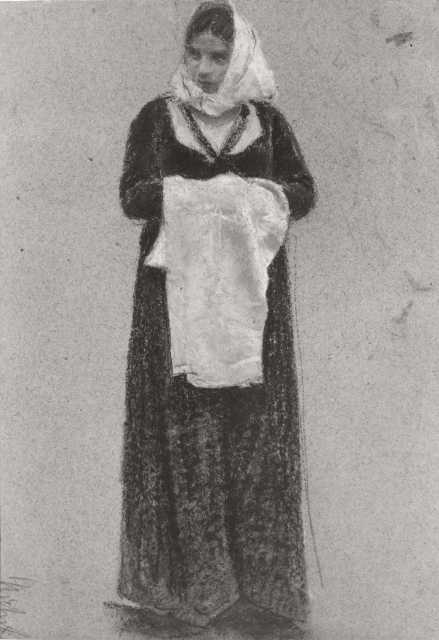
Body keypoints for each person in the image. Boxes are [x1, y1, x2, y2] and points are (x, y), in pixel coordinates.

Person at [118, 0, 315, 629]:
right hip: (174, 303)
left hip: (253, 305)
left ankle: (262, 592)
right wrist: (209, 198)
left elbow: (303, 192)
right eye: (194, 54)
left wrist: (253, 198)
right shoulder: (157, 118)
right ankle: (191, 592)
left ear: (241, 59)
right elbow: (133, 196)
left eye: (218, 57)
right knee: (187, 435)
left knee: (255, 436)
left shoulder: (268, 123)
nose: (203, 69)